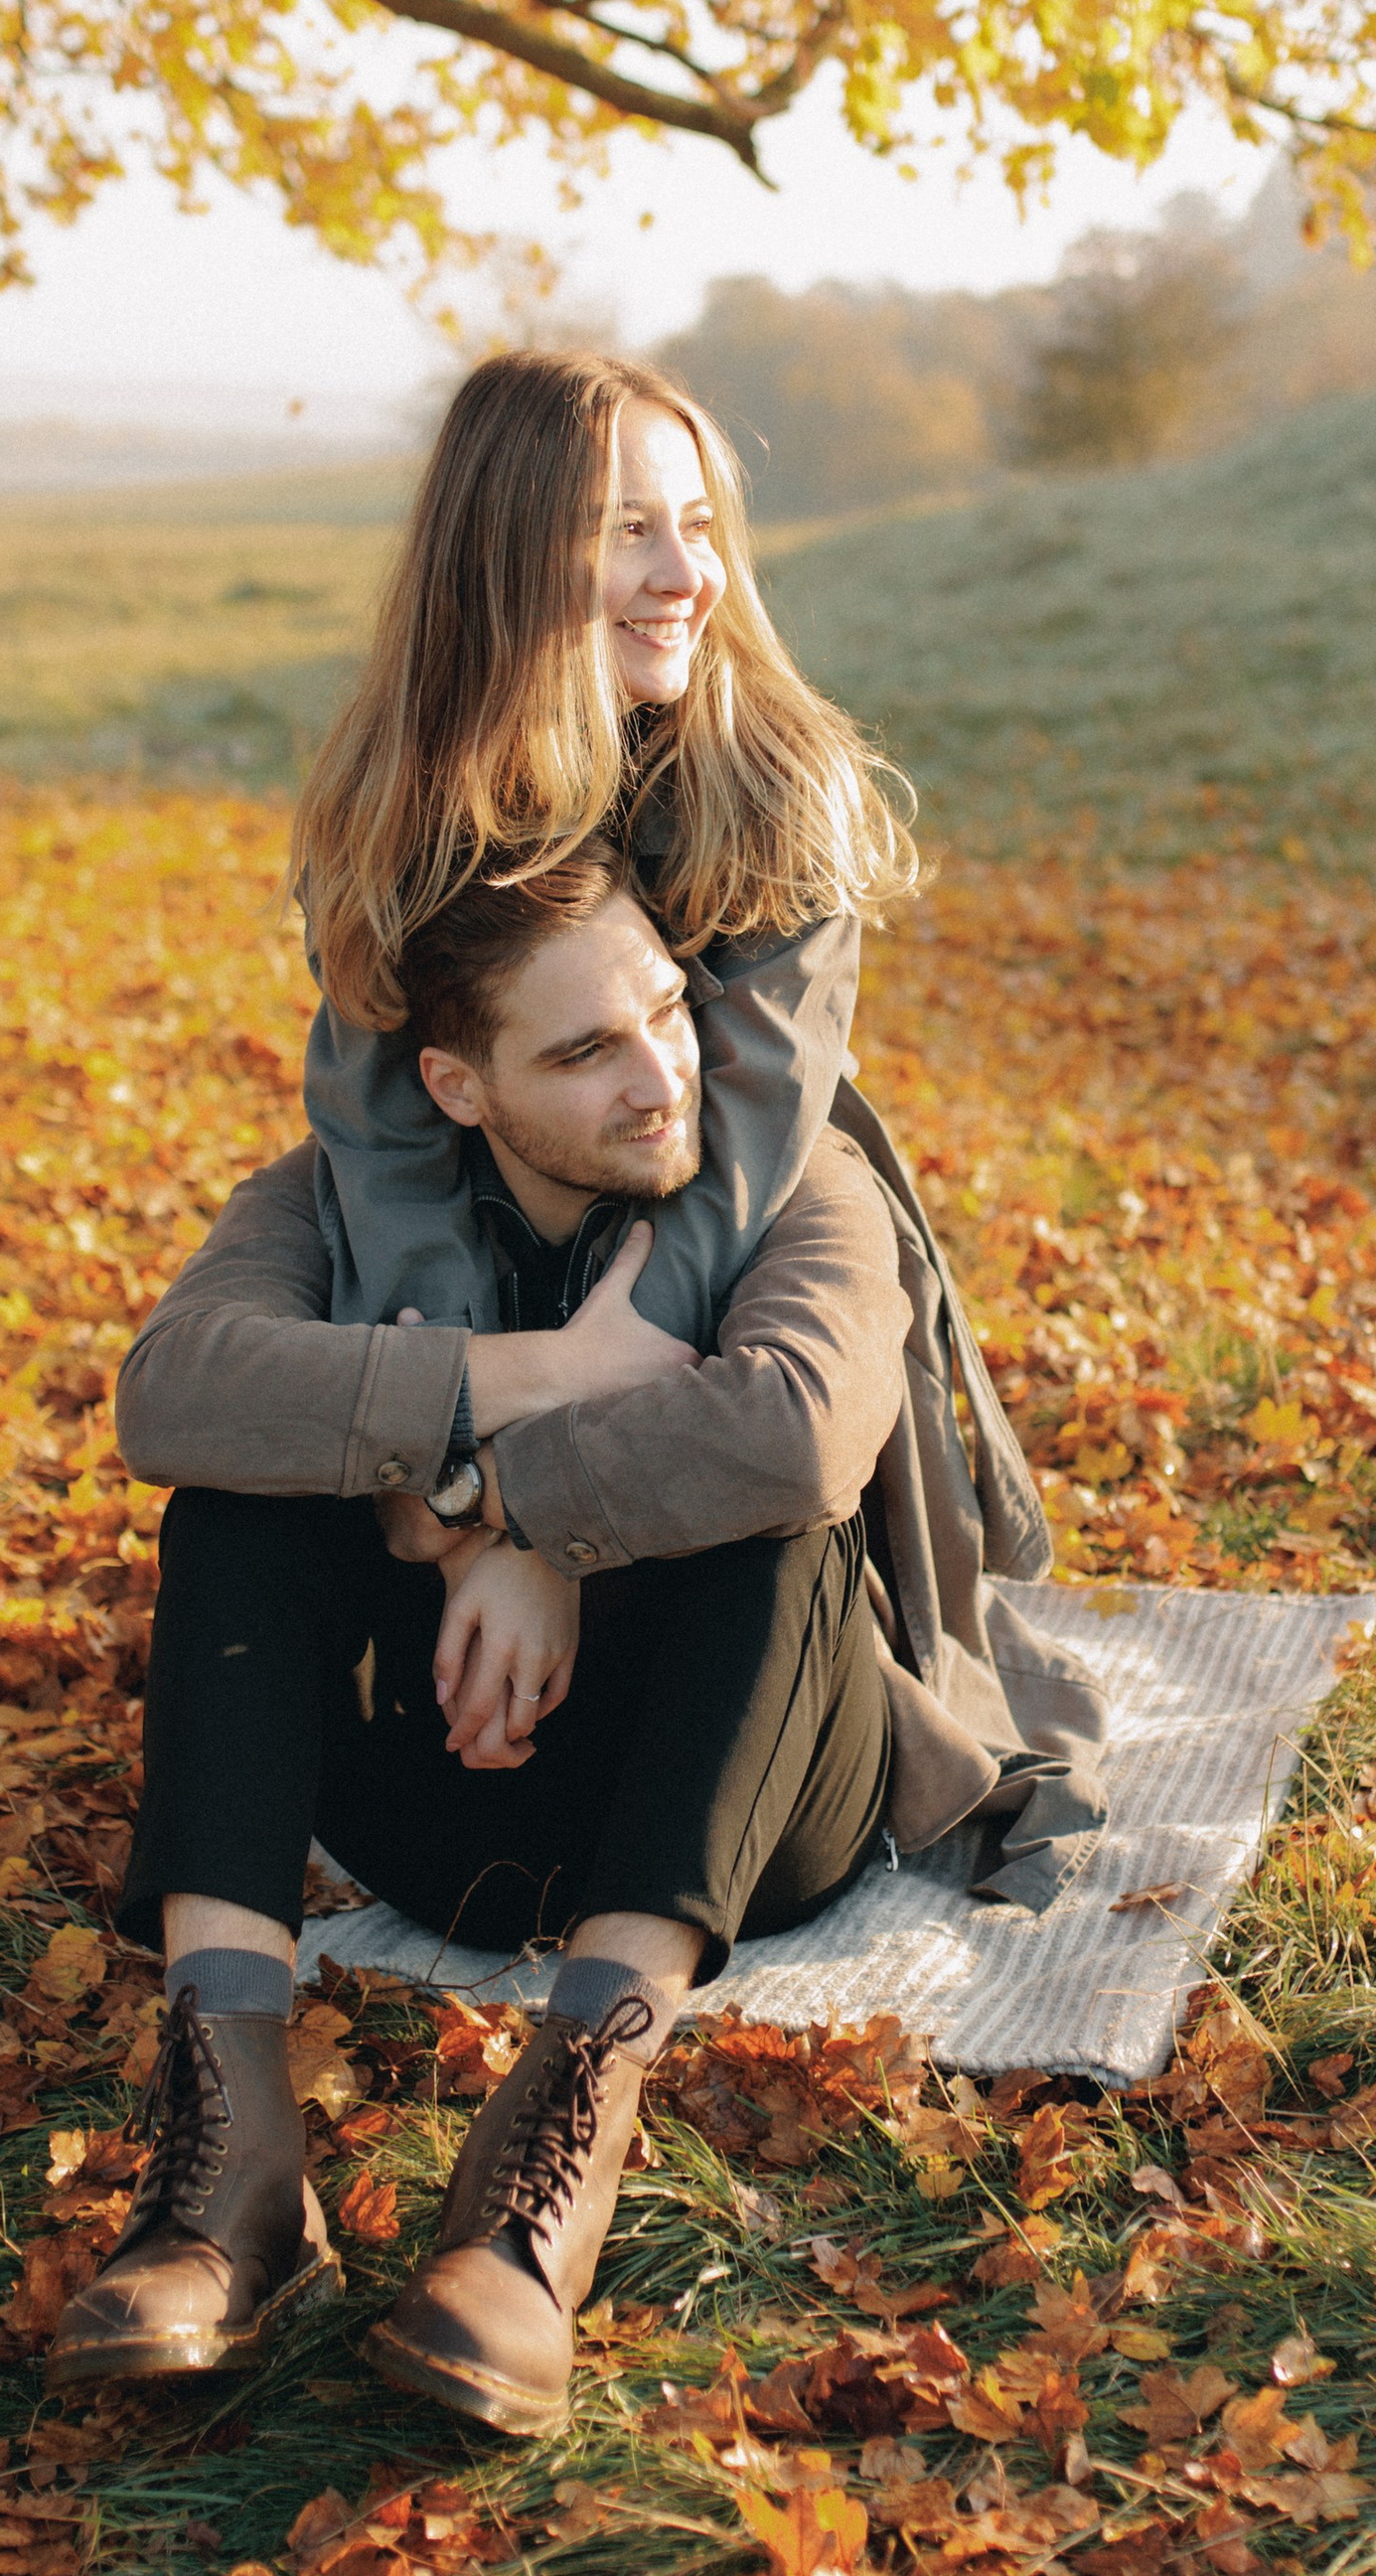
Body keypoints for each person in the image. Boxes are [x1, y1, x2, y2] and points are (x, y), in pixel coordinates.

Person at [50, 847, 924, 2436]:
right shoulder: (330, 1205)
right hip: (450, 1796)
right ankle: (228, 2163)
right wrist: (513, 1387)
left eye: (665, 1012)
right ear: (457, 1083)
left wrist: (505, 1517)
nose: (660, 1077)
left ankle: (544, 2187)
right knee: (237, 1504)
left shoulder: (798, 1180)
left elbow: (803, 1434)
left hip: (741, 1804)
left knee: (778, 1515)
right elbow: (170, 1391)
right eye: (583, 1051)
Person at [290, 347, 915, 1358]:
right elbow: (383, 1128)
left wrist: (607, 1356)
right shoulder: (389, 806)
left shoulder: (768, 787)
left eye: (699, 527)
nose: (687, 577)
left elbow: (755, 1116)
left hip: (727, 1288)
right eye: (630, 532)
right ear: (505, 556)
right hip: (471, 1282)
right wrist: (452, 1390)